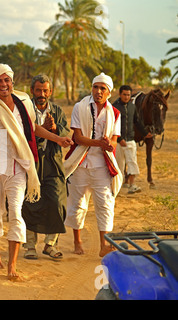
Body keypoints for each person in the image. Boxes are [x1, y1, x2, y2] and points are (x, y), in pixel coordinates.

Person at [0, 64, 73, 281]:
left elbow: (34, 129)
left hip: (18, 168)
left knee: (16, 212)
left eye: (7, 80)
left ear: (12, 82)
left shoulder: (24, 104)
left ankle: (12, 265)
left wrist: (57, 138)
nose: (4, 85)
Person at [64, 73, 123, 257]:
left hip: (102, 166)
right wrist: (100, 143)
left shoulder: (114, 113)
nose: (98, 91)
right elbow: (78, 138)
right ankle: (77, 241)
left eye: (102, 88)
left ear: (108, 92)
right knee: (77, 205)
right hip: (80, 164)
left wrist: (109, 144)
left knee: (105, 204)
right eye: (95, 87)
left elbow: (114, 142)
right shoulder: (79, 107)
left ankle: (103, 246)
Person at [22, 74, 69, 260]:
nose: (42, 94)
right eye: (38, 90)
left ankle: (51, 244)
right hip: (31, 163)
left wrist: (55, 129)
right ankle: (30, 246)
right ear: (32, 91)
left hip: (53, 162)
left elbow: (65, 132)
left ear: (50, 92)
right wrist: (44, 129)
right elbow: (25, 134)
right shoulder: (25, 110)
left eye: (45, 90)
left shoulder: (57, 111)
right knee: (30, 203)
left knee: (57, 202)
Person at [113, 85, 152, 194]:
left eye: (128, 95)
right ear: (120, 94)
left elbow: (137, 121)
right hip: (117, 142)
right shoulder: (114, 107)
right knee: (119, 166)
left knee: (132, 163)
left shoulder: (132, 107)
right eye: (124, 94)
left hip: (130, 140)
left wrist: (145, 133)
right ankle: (115, 189)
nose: (126, 97)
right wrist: (119, 139)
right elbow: (111, 125)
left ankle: (132, 185)